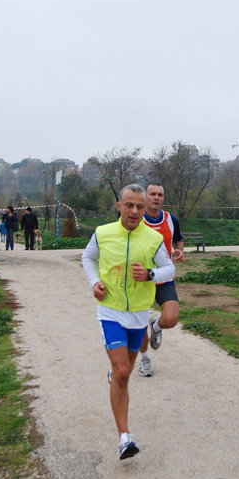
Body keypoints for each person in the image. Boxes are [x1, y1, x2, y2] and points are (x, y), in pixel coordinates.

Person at [82, 184, 175, 460]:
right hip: (110, 312)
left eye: (139, 206)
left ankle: (116, 380)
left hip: (138, 315)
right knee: (122, 372)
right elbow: (87, 257)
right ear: (119, 206)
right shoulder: (103, 234)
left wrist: (150, 275)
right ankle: (124, 437)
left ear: (144, 209)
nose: (134, 211)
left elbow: (169, 268)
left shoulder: (152, 238)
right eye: (129, 205)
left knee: (125, 372)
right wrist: (95, 282)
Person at [137, 183, 185, 377]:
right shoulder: (137, 219)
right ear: (146, 197)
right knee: (138, 324)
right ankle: (145, 359)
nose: (156, 197)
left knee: (172, 318)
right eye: (152, 194)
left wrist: (180, 251)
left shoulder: (170, 219)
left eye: (160, 195)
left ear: (163, 198)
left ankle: (156, 325)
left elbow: (178, 239)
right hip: (141, 279)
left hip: (164, 277)